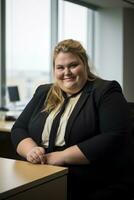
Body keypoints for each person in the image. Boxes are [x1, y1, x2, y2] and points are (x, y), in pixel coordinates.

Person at [11, 39, 133, 200]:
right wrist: (31, 150)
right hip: (40, 171)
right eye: (60, 67)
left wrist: (61, 156)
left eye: (73, 65)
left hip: (87, 180)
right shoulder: (43, 92)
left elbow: (115, 135)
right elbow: (19, 128)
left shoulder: (106, 91)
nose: (66, 72)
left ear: (85, 64)